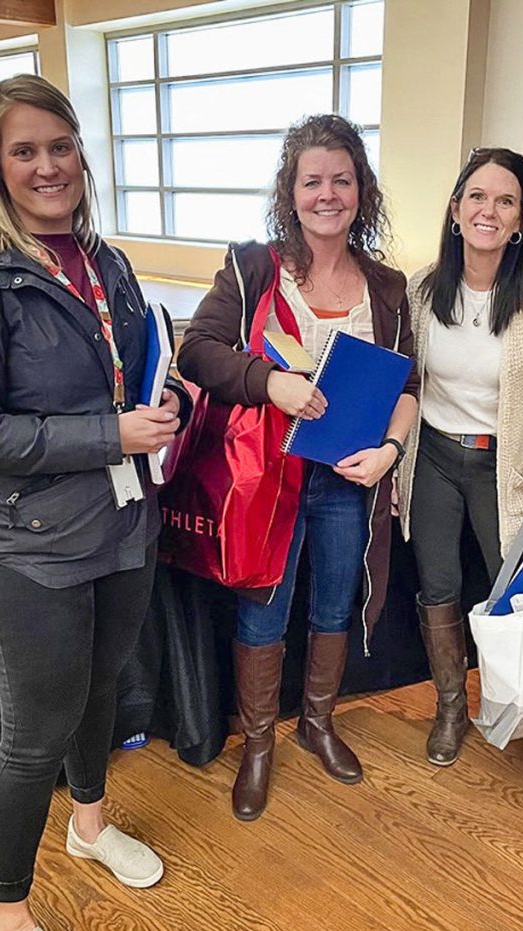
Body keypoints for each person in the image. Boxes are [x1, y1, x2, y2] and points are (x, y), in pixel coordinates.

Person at [0, 74, 191, 931]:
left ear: (83, 153)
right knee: (30, 738)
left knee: (101, 690)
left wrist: (164, 403)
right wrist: (110, 435)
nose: (47, 166)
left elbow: (124, 376)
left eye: (60, 147)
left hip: (121, 527)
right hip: (29, 547)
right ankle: (9, 925)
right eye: (23, 150)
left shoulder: (101, 262)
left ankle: (90, 825)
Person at [178, 113, 418, 823]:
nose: (327, 193)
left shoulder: (387, 285)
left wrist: (390, 452)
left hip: (348, 477)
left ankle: (317, 722)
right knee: (265, 611)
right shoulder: (253, 270)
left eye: (341, 180)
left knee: (334, 602)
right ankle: (257, 745)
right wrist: (268, 382)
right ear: (290, 192)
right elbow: (198, 351)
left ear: (360, 190)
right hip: (267, 480)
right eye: (312, 180)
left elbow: (406, 387)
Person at [397, 147, 523, 809]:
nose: (488, 210)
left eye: (505, 201)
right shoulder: (422, 290)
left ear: (522, 217)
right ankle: (452, 705)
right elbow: (405, 381)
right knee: (437, 585)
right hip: (435, 463)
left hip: (508, 471)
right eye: (476, 197)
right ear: (454, 210)